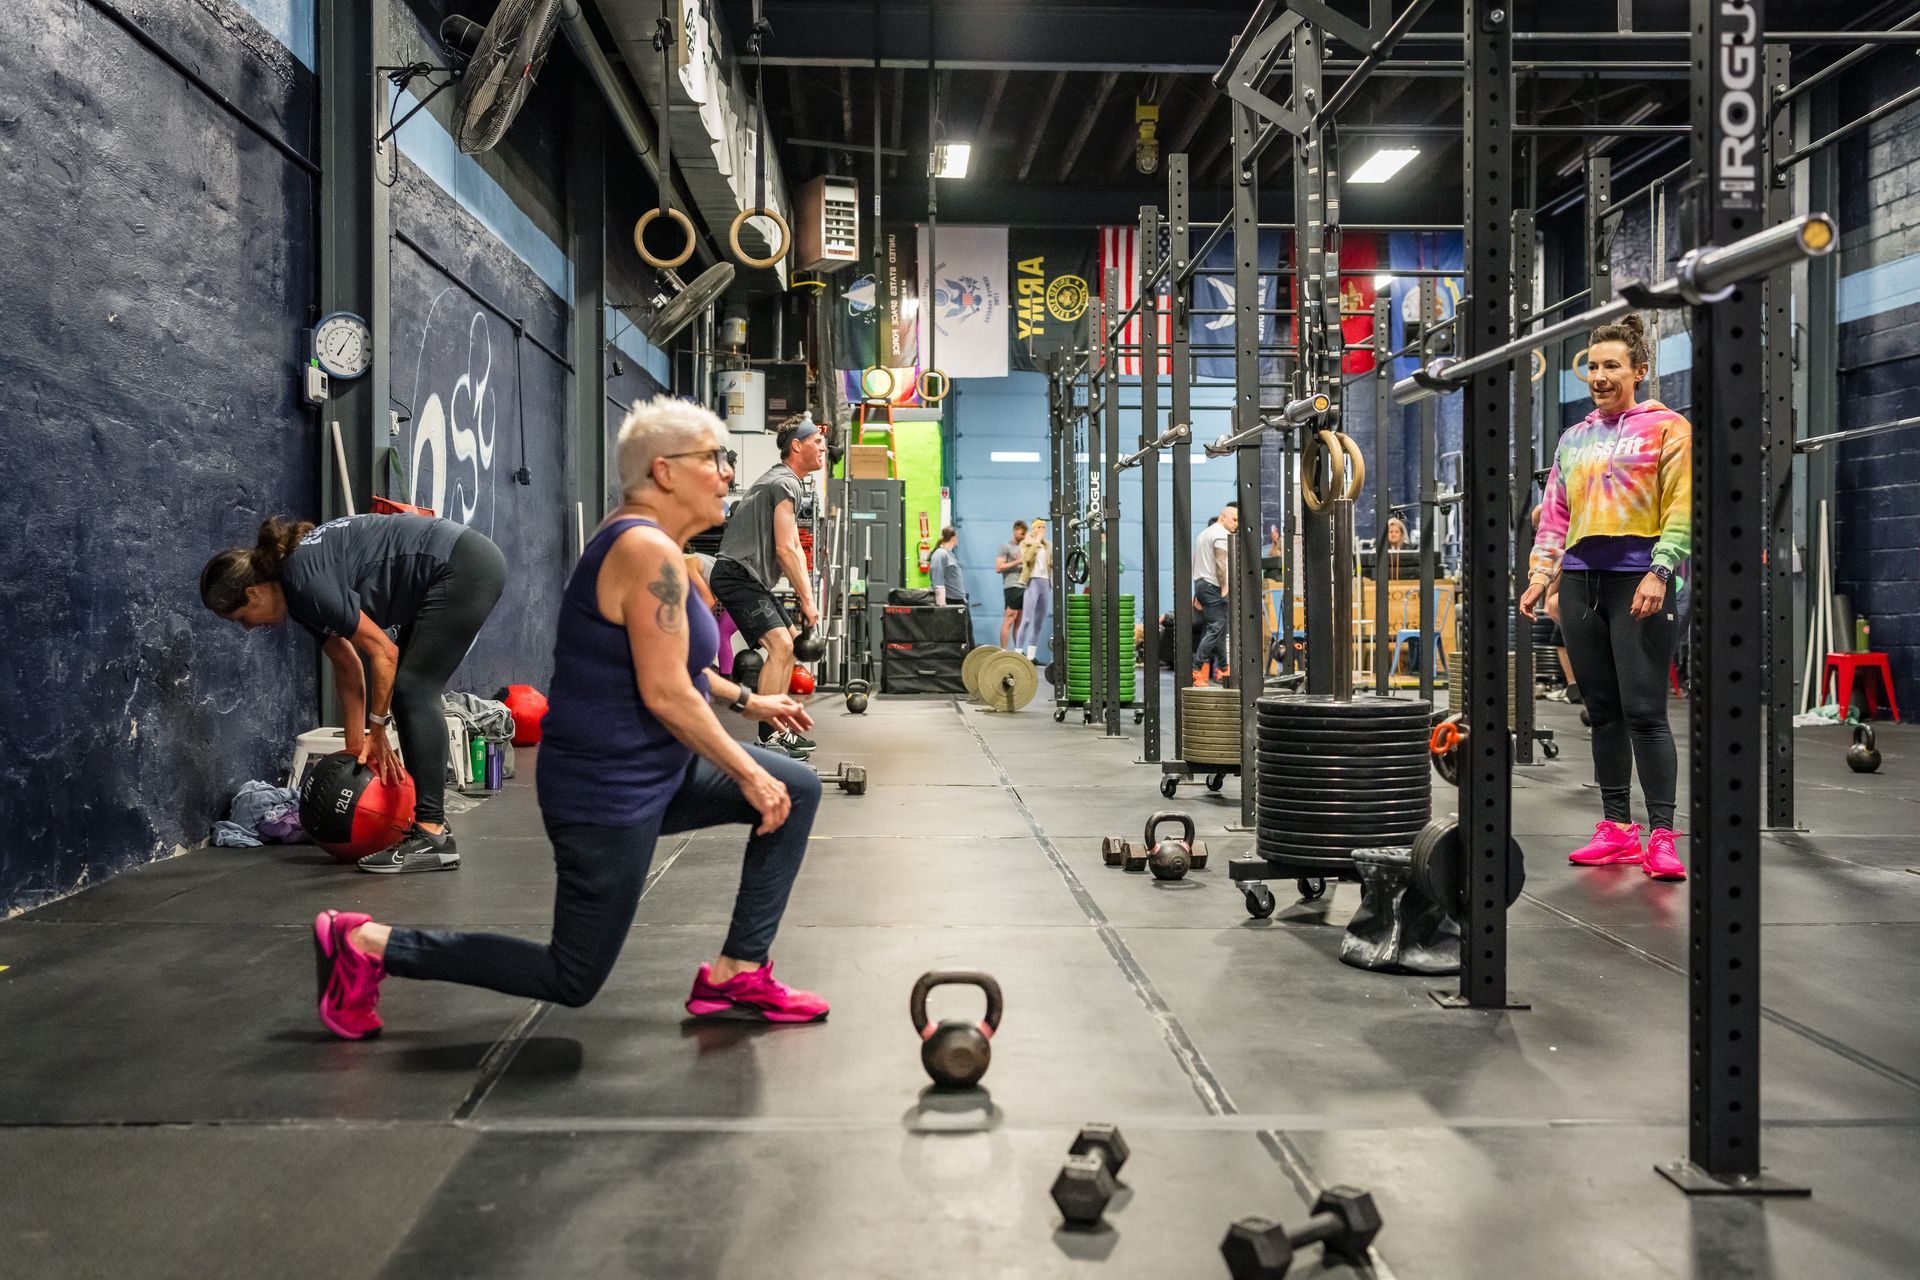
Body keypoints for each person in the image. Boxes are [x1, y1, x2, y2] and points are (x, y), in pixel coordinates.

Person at [309, 397, 829, 1041]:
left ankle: (738, 972)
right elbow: (667, 693)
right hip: (603, 793)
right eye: (715, 460)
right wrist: (748, 770)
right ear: (664, 470)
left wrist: (751, 702)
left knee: (799, 789)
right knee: (571, 976)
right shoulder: (646, 553)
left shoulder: (666, 553)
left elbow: (671, 663)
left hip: (652, 773)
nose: (727, 474)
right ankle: (364, 943)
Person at [200, 512, 505, 874]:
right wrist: (355, 747)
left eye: (241, 617)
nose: (248, 628)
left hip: (463, 565)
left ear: (254, 592)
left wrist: (376, 731)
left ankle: (432, 834)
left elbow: (383, 653)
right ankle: (430, 825)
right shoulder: (298, 592)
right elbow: (347, 665)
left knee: (412, 689)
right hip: (454, 565)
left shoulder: (303, 582)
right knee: (409, 689)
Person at [1520, 313, 1689, 882]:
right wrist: (1541, 577)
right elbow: (1555, 519)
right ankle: (1617, 829)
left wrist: (1660, 572)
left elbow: (1681, 508)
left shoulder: (1668, 428)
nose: (1599, 375)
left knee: (1645, 711)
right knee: (1602, 712)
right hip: (1580, 582)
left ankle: (1662, 835)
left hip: (1638, 581)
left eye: (1611, 366)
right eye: (1592, 367)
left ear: (1638, 371)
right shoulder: (1575, 437)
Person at [709, 416, 825, 758]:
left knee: (789, 644)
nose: (822, 449)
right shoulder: (784, 483)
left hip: (749, 577)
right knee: (780, 647)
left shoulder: (787, 482)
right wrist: (808, 600)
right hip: (735, 574)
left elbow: (793, 550)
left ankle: (779, 729)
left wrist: (807, 597)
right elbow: (786, 547)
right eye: (816, 443)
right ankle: (770, 736)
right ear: (797, 446)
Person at [1192, 500, 1237, 686]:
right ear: (1223, 516)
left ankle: (1225, 668)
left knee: (1219, 626)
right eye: (1234, 520)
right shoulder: (1221, 534)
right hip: (1213, 586)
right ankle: (1196, 669)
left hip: (1202, 584)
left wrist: (1197, 593)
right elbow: (1220, 562)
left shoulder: (1204, 534)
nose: (1236, 525)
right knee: (1216, 627)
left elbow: (1197, 562)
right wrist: (1224, 586)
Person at [1016, 518, 1052, 660]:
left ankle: (1031, 656)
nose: (1042, 529)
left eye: (1044, 527)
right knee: (1026, 620)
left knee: (1038, 622)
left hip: (1045, 582)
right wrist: (1037, 541)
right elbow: (1027, 558)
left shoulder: (1048, 545)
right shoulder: (1026, 543)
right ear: (1033, 529)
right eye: (1039, 527)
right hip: (1032, 581)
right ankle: (1018, 652)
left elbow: (1050, 563)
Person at [996, 520, 1028, 648]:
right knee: (1010, 619)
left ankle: (1018, 653)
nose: (1023, 537)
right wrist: (1018, 561)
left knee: (1019, 622)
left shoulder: (1025, 547)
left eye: (1025, 535)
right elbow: (999, 567)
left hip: (1024, 586)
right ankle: (1003, 651)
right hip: (1012, 586)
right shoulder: (1005, 547)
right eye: (1021, 534)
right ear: (1015, 530)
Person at [929, 527, 966, 607]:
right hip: (949, 601)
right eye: (957, 537)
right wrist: (941, 605)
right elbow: (937, 580)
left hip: (958, 600)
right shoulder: (940, 554)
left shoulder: (950, 554)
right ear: (953, 538)